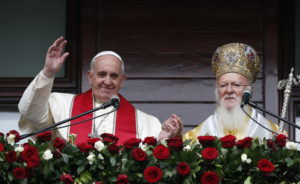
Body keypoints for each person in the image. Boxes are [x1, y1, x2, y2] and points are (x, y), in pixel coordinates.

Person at [18, 36, 182, 144]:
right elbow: (30, 112)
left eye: (114, 76)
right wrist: (48, 73)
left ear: (122, 80)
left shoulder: (148, 123)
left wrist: (162, 140)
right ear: (90, 77)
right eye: (102, 74)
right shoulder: (60, 104)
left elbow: (149, 161)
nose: (107, 81)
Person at [183, 43, 283, 141]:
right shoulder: (198, 134)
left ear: (249, 90)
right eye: (223, 85)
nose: (229, 90)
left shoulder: (271, 132)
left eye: (236, 85)